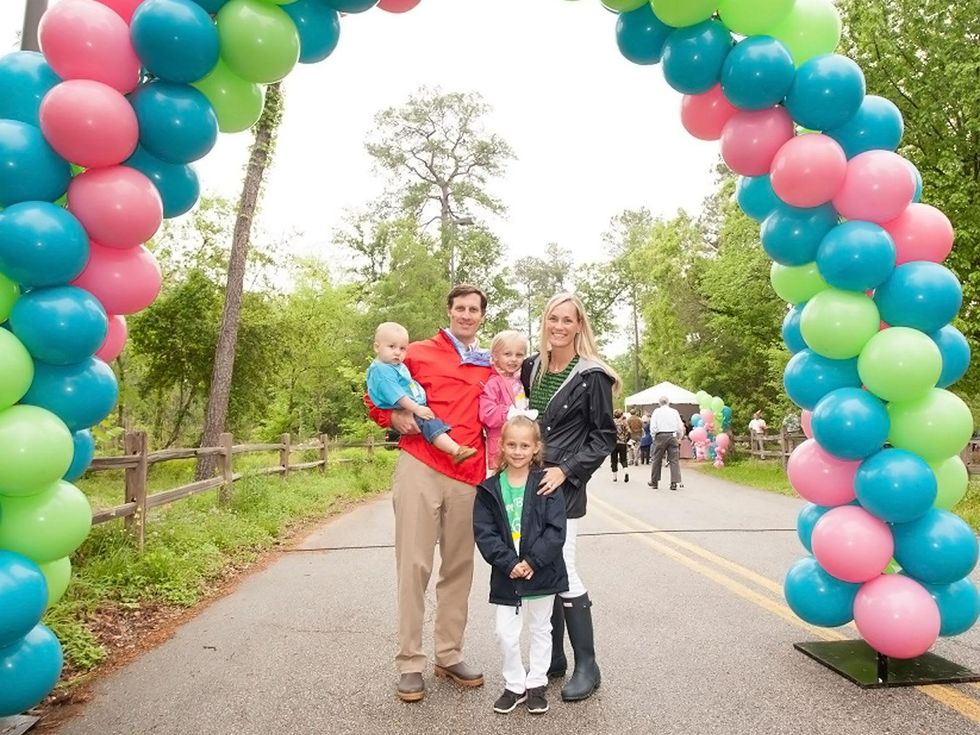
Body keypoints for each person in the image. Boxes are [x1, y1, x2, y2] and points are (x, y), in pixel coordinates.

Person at [366, 285, 491, 702]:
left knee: (458, 568)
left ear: (482, 317)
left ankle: (449, 654)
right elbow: (374, 390)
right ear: (450, 311)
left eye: (474, 310)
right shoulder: (416, 351)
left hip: (468, 473)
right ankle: (409, 662)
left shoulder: (489, 364)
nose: (467, 315)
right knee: (414, 565)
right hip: (420, 464)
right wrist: (393, 415)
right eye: (460, 308)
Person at [520, 292, 618, 702]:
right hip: (528, 482)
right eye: (553, 319)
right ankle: (554, 658)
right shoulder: (531, 368)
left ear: (579, 326)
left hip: (565, 484)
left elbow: (604, 436)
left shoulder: (590, 375)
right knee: (540, 567)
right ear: (545, 322)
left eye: (568, 320)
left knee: (564, 567)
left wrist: (566, 470)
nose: (559, 326)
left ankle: (587, 665)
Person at [473, 416, 568, 716]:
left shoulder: (546, 484)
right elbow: (484, 533)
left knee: (541, 628)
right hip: (507, 575)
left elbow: (556, 530)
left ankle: (536, 683)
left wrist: (532, 561)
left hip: (542, 571)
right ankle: (514, 684)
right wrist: (509, 563)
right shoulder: (488, 489)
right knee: (505, 632)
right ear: (501, 446)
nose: (517, 451)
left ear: (536, 447)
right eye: (511, 444)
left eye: (524, 445)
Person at [367, 322, 478, 465]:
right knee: (431, 425)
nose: (397, 352)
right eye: (391, 347)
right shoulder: (382, 371)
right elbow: (396, 395)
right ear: (377, 347)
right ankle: (455, 450)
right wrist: (415, 408)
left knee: (432, 423)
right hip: (406, 409)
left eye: (402, 348)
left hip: (411, 406)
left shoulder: (393, 366)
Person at [479, 330, 536, 472]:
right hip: (501, 447)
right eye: (507, 354)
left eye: (519, 355)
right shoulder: (494, 383)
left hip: (522, 445)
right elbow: (486, 413)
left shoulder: (521, 379)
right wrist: (510, 413)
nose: (513, 359)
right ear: (495, 356)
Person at [647, 395, 684, 491]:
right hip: (672, 435)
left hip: (660, 435)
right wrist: (680, 436)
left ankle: (654, 482)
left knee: (657, 459)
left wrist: (654, 437)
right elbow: (680, 426)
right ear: (668, 402)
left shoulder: (656, 412)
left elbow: (653, 426)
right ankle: (674, 482)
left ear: (659, 403)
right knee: (674, 460)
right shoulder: (674, 412)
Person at [610, 409, 630, 483]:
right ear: (621, 415)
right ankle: (626, 472)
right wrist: (626, 440)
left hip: (613, 443)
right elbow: (629, 432)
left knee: (614, 460)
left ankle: (615, 477)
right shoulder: (624, 422)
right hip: (622, 443)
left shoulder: (612, 423)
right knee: (623, 459)